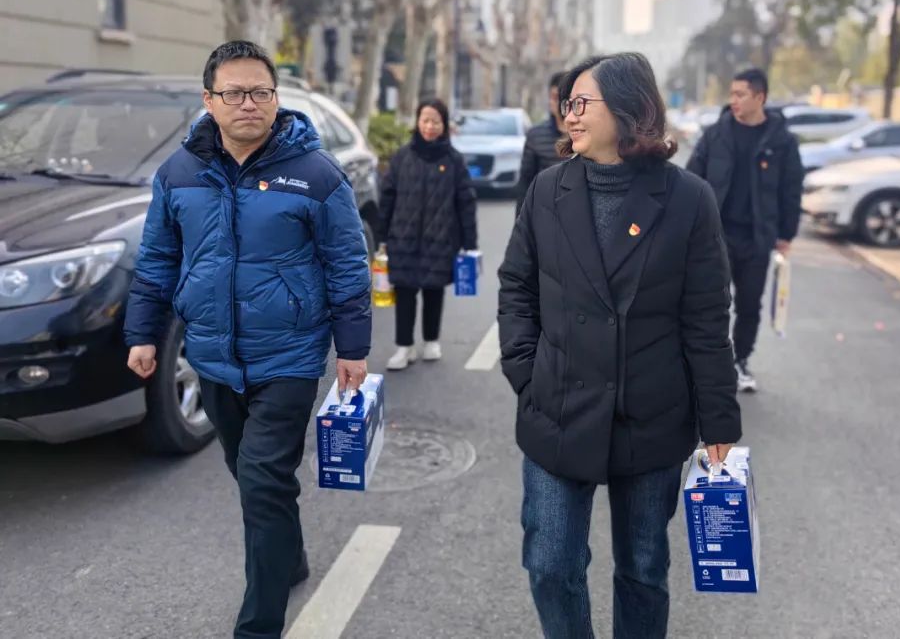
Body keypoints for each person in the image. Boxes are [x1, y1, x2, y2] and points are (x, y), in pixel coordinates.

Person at [124, 40, 371, 639]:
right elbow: (157, 259)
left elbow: (347, 263)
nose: (248, 104)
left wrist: (352, 348)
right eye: (233, 93)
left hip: (289, 357)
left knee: (261, 478)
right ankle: (289, 557)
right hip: (212, 355)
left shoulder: (315, 174)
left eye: (260, 92)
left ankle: (258, 627)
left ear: (276, 98)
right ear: (209, 100)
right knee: (250, 474)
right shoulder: (179, 174)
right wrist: (143, 333)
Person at [498, 52, 741, 639]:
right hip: (557, 406)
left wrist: (719, 420)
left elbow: (707, 319)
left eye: (582, 103)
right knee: (550, 564)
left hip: (651, 413)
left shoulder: (688, 200)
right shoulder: (548, 190)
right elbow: (516, 287)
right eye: (567, 103)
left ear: (629, 109)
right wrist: (527, 373)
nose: (570, 115)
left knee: (643, 570)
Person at [685, 67, 803, 393]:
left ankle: (740, 361)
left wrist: (786, 234)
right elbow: (691, 180)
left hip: (757, 238)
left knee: (749, 305)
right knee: (711, 304)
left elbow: (791, 189)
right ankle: (710, 363)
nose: (733, 100)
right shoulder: (716, 134)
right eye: (732, 94)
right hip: (716, 236)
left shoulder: (781, 141)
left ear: (760, 97)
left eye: (741, 94)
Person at [379, 98, 478, 370]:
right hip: (403, 237)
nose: (429, 126)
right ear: (417, 122)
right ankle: (404, 347)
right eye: (425, 120)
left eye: (435, 121)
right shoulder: (402, 157)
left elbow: (466, 202)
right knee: (405, 291)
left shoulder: (454, 160)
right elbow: (387, 197)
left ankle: (431, 340)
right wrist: (382, 236)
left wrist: (470, 243)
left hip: (441, 238)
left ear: (444, 125)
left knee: (434, 290)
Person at [516, 71, 570, 215]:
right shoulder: (536, 135)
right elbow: (525, 183)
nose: (552, 102)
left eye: (557, 98)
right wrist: (521, 221)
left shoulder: (583, 135)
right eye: (551, 97)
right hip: (544, 213)